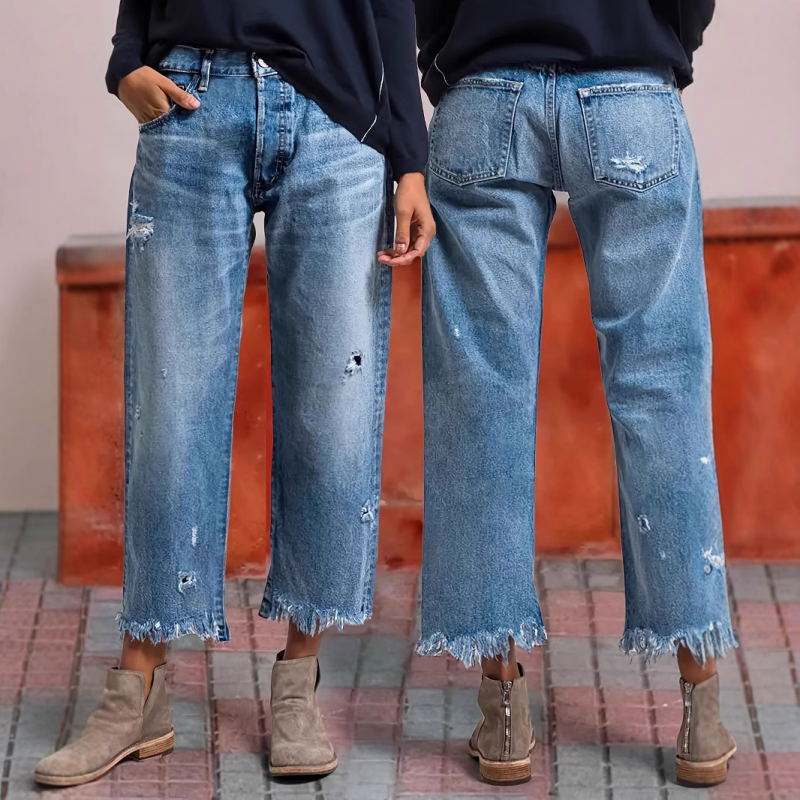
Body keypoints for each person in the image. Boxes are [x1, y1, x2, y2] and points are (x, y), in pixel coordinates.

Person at [35, 0, 434, 787]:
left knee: (331, 415)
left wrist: (409, 159)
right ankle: (139, 688)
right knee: (170, 412)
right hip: (192, 104)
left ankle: (298, 682)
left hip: (335, 118)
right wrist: (125, 60)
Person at [414, 0, 737, 788]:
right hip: (629, 88)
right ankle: (701, 707)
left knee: (481, 399)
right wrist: (661, 48)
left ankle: (502, 707)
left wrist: (449, 58)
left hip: (485, 92)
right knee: (661, 393)